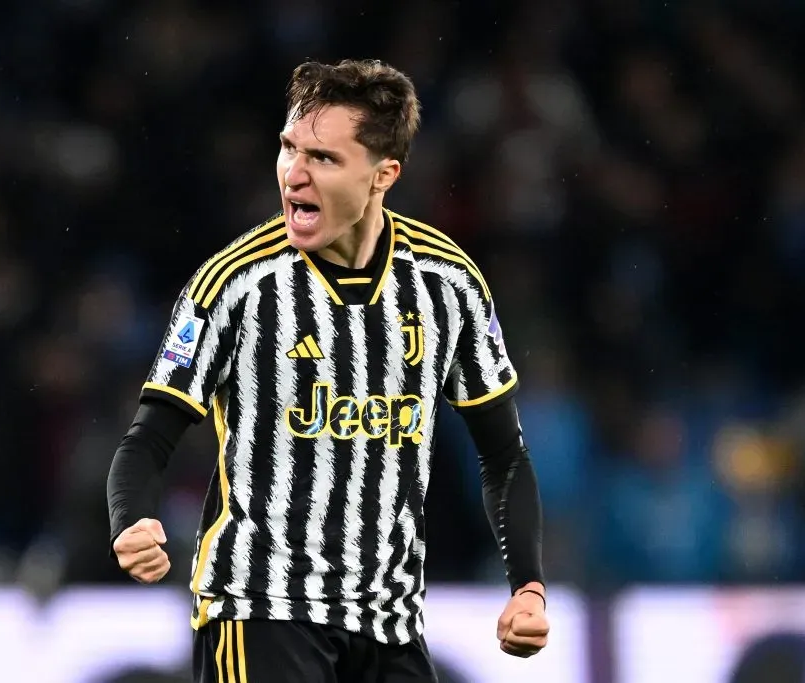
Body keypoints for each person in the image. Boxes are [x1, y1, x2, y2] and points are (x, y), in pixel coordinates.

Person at [107, 58, 549, 683]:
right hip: (260, 610)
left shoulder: (449, 285)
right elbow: (147, 439)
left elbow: (505, 457)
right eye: (288, 148)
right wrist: (132, 519)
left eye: (323, 157)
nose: (294, 173)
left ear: (383, 175)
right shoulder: (236, 283)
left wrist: (528, 586)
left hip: (391, 623)